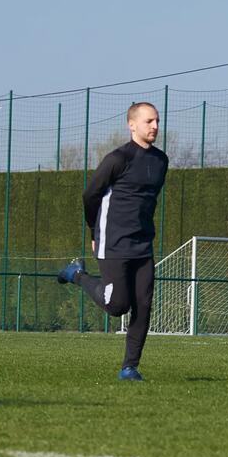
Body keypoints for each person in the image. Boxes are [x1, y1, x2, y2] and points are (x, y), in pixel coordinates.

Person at [56, 101, 169, 382]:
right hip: (113, 241)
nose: (155, 126)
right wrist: (95, 231)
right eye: (148, 121)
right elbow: (90, 196)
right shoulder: (117, 159)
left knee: (143, 305)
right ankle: (77, 275)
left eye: (157, 121)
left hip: (143, 244)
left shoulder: (161, 161)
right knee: (117, 305)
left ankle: (129, 367)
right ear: (132, 125)